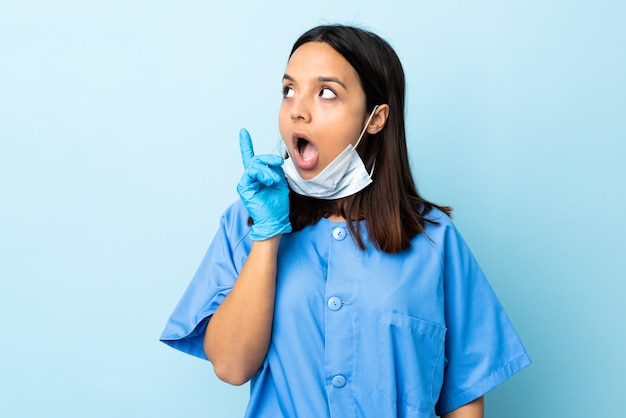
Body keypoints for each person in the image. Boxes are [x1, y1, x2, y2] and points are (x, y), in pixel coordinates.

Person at [160, 24, 531, 418]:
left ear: (375, 118)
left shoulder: (434, 238)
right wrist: (267, 237)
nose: (298, 110)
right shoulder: (247, 221)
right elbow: (232, 368)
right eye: (289, 90)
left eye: (326, 93)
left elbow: (464, 394)